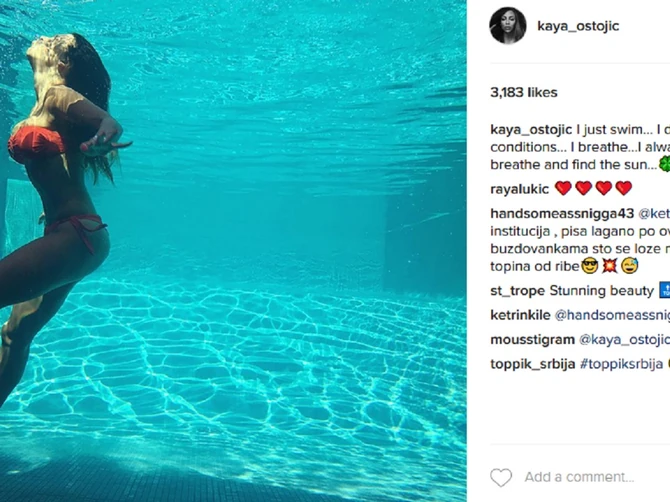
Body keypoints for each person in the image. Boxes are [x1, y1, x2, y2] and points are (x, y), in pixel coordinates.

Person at [0, 33, 131, 407]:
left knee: (15, 333)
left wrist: (106, 132)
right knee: (14, 334)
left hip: (75, 236)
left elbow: (108, 122)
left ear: (63, 62)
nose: (43, 36)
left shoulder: (58, 96)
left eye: (55, 39)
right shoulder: (46, 104)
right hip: (77, 235)